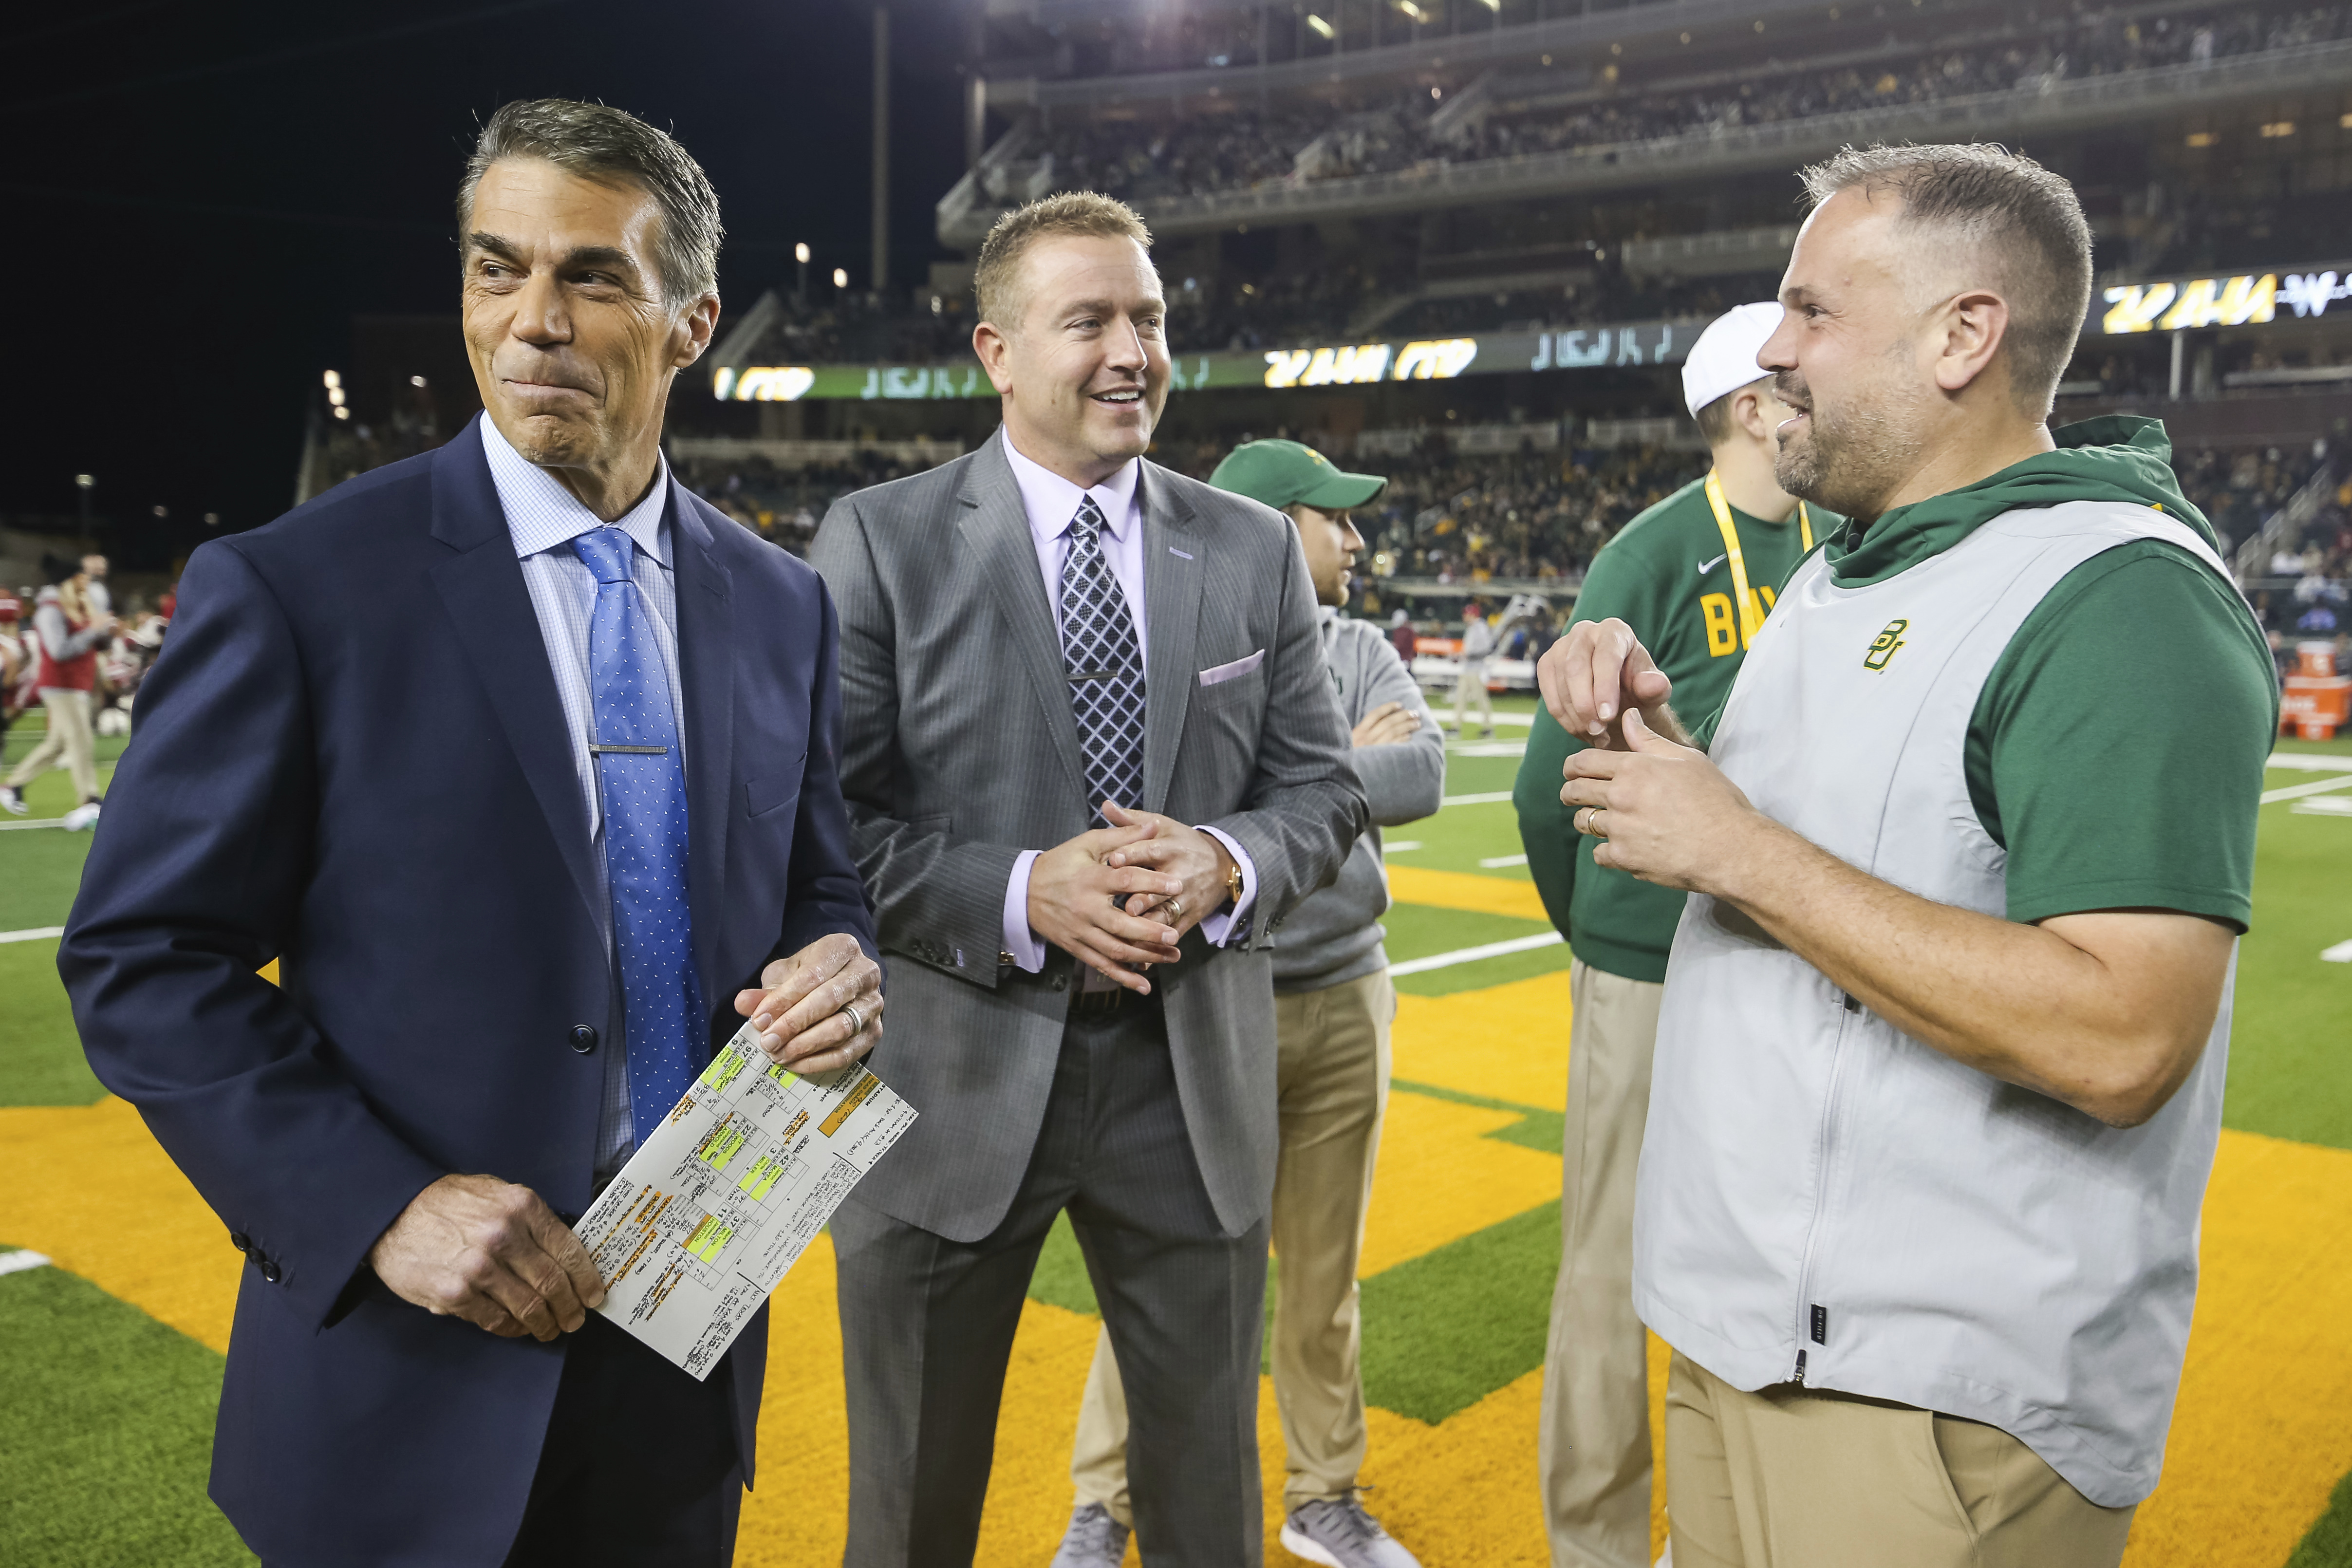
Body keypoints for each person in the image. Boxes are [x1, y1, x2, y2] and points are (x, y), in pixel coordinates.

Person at [59, 99, 881, 1568]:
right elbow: (140, 956)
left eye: (590, 276)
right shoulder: (298, 583)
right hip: (404, 1366)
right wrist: (379, 1204)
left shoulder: (779, 601)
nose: (532, 319)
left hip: (677, 1354)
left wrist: (839, 955)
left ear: (692, 322)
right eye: (495, 268)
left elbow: (817, 877)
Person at [1539, 144, 2274, 1567]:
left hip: (1926, 1401)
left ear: (1962, 333)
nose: (1770, 346)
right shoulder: (1846, 565)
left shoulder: (2117, 597)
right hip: (1749, 1338)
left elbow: (2122, 1029)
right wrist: (1669, 748)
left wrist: (1739, 848)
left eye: (1811, 308)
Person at [810, 191, 1365, 1568]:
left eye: (1150, 319)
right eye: (1090, 322)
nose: (1131, 351)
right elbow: (826, 827)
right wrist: (1018, 893)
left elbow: (1325, 788)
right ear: (996, 350)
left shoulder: (1245, 546)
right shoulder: (877, 540)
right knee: (910, 1514)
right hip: (944, 1087)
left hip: (1190, 1089)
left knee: (1203, 1515)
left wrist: (1227, 857)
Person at [1056, 439, 1443, 1568]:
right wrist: (1321, 775)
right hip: (1212, 1003)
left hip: (1346, 991)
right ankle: (1104, 1501)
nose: (1359, 542)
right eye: (1337, 520)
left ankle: (1323, 1492)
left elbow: (1421, 776)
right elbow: (1139, 809)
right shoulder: (1174, 637)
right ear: (1276, 524)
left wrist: (1267, 789)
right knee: (1163, 1268)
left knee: (1325, 1277)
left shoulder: (1362, 643)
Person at [1512, 302, 1834, 1568]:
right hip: (1650, 960)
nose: (1818, 390)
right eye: (1794, 379)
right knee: (1606, 1265)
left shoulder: (1830, 541)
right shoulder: (1645, 555)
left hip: (1791, 942)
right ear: (1750, 406)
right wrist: (1604, 936)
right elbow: (1545, 794)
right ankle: (1592, 1544)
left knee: (1764, 1246)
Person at [0, 553, 115, 826]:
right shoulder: (50, 609)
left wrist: (102, 632)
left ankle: (11, 787)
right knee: (82, 740)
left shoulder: (76, 605)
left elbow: (91, 643)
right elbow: (59, 650)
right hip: (60, 684)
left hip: (76, 682)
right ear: (70, 580)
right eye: (81, 576)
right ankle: (89, 799)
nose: (86, 581)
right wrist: (92, 631)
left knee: (58, 743)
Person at [1452, 599, 1494, 736]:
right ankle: (1455, 726)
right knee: (1461, 697)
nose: (1465, 617)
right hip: (1468, 668)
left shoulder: (1480, 628)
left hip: (1476, 669)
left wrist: (1468, 656)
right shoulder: (1472, 628)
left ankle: (1488, 727)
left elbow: (1486, 649)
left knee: (1480, 699)